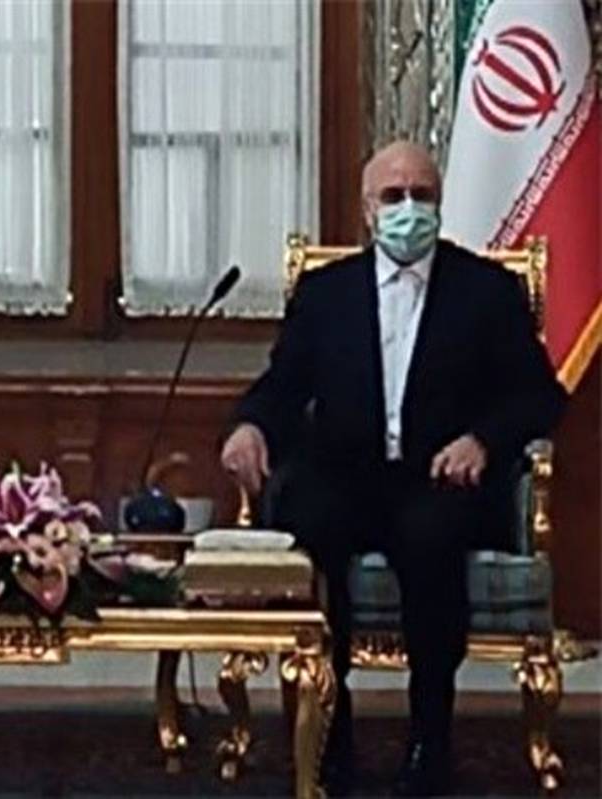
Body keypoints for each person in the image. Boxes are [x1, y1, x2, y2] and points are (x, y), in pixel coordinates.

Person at [219, 141, 565, 796]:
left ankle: (430, 736)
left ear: (440, 203)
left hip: (439, 478)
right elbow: (283, 385)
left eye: (421, 195)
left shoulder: (486, 291)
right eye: (393, 196)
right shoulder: (327, 293)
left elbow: (537, 395)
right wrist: (249, 425)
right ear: (367, 211)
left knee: (431, 537)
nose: (409, 208)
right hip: (346, 474)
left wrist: (482, 441)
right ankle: (330, 726)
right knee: (309, 521)